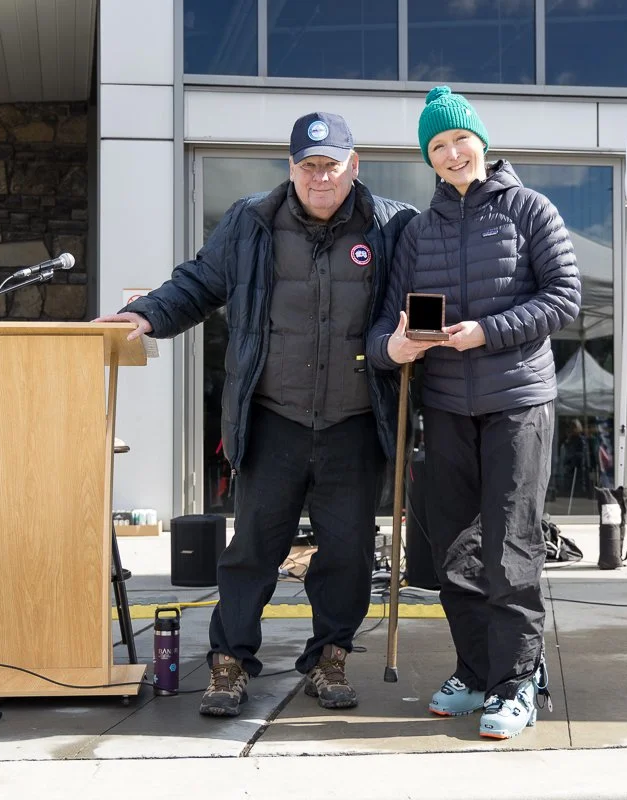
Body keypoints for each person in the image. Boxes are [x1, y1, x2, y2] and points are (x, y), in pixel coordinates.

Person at [95, 112, 416, 717]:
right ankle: (230, 663)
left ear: (355, 165)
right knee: (253, 551)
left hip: (354, 422)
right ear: (290, 167)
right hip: (273, 420)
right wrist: (149, 315)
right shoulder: (250, 221)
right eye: (308, 165)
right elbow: (198, 282)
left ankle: (329, 658)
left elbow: (432, 285)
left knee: (347, 552)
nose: (321, 177)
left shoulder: (394, 224)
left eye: (333, 164)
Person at [367, 86, 581, 740]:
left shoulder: (529, 210)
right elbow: (384, 327)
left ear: (481, 142)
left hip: (517, 402)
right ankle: (475, 669)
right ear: (428, 160)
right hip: (446, 408)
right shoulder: (418, 231)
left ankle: (517, 679)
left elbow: (565, 298)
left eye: (460, 139)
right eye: (438, 146)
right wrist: (394, 346)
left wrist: (488, 330)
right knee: (454, 548)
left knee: (509, 546)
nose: (452, 153)